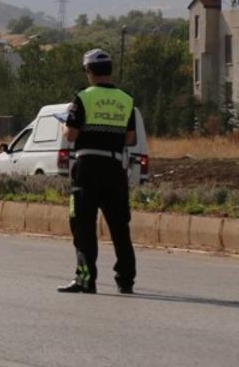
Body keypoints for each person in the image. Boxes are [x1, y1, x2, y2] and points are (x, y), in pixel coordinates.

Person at [58, 48, 137, 295]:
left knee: (82, 225)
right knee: (119, 227)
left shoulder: (82, 98)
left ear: (89, 71)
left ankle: (86, 279)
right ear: (110, 70)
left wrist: (64, 128)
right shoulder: (127, 100)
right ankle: (125, 279)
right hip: (115, 169)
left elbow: (71, 134)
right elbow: (130, 138)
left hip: (87, 168)